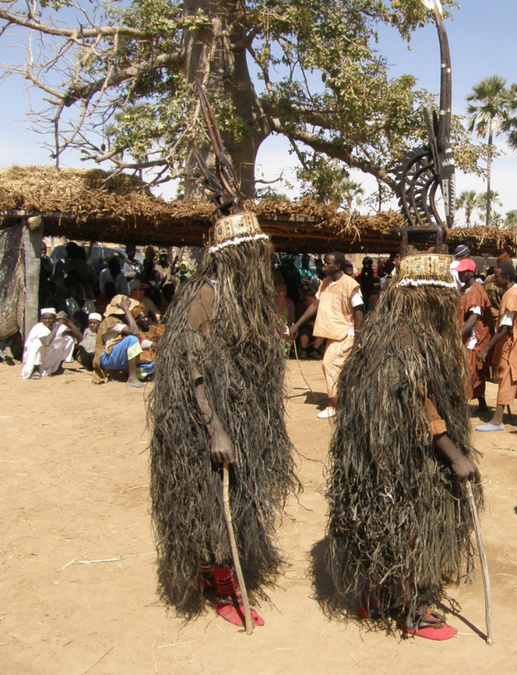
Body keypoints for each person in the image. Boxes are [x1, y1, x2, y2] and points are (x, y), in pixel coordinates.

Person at [148, 211, 297, 626]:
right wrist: (215, 429)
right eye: (252, 255)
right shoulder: (205, 298)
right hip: (208, 425)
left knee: (232, 501)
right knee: (214, 504)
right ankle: (223, 584)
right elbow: (189, 366)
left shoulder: (242, 299)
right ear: (233, 257)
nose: (260, 264)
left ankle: (214, 570)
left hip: (241, 421)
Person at [326, 251, 481, 640]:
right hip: (407, 458)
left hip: (377, 456)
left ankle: (377, 596)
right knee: (414, 524)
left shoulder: (385, 327)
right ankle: (414, 608)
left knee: (386, 521)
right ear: (430, 294)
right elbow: (416, 402)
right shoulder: (407, 337)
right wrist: (455, 454)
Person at [289, 251, 364, 418]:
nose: (324, 265)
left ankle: (334, 404)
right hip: (333, 333)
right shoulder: (325, 283)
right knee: (338, 368)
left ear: (337, 266)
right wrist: (298, 325)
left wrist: (357, 337)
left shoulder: (349, 284)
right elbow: (315, 305)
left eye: (327, 263)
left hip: (346, 333)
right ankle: (344, 401)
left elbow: (358, 311)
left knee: (329, 364)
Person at [475, 261, 517, 431]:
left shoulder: (511, 295)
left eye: (497, 277)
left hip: (514, 344)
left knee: (506, 379)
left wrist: (487, 349)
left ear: (506, 278)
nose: (494, 280)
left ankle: (497, 420)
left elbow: (505, 328)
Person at [457, 258, 494, 414]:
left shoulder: (476, 291)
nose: (459, 274)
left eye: (462, 272)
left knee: (469, 370)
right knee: (474, 371)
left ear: (471, 272)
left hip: (474, 338)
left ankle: (461, 407)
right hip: (468, 335)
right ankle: (482, 404)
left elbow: (473, 318)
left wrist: (457, 335)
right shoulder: (464, 290)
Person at [92, 295, 144, 387]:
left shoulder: (121, 321)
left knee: (149, 365)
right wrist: (127, 311)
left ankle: (121, 374)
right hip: (105, 358)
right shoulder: (111, 321)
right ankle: (132, 378)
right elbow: (135, 333)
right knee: (132, 339)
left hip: (113, 358)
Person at [21, 308, 79, 379]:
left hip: (48, 358)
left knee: (68, 339)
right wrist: (59, 324)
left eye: (50, 319)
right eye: (45, 319)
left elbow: (79, 336)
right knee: (37, 343)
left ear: (55, 319)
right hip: (36, 361)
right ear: (41, 319)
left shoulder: (55, 325)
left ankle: (58, 368)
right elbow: (46, 342)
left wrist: (66, 321)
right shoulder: (39, 327)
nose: (47, 321)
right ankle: (36, 370)